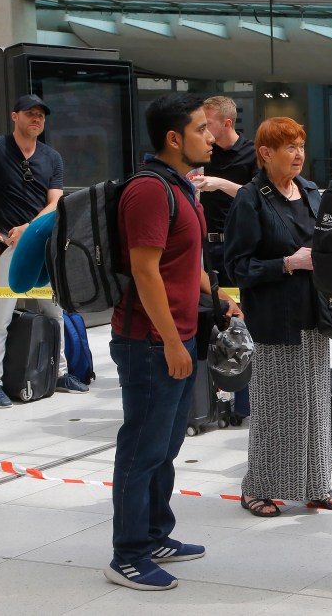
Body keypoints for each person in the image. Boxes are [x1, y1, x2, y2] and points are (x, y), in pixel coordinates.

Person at [105, 92, 239, 590]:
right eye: (202, 129)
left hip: (177, 334)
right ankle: (128, 553)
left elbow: (180, 264)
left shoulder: (180, 187)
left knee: (165, 444)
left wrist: (219, 298)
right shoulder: (147, 191)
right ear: (174, 138)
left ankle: (156, 533)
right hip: (150, 342)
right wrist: (171, 342)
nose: (211, 137)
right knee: (141, 446)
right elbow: (144, 271)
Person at [224, 117, 332, 518]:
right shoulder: (250, 199)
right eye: (289, 147)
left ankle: (315, 484)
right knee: (276, 407)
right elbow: (239, 267)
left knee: (315, 403)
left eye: (301, 146)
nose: (298, 154)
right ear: (265, 153)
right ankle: (257, 486)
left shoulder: (310, 191)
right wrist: (287, 264)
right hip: (276, 318)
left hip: (315, 311)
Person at [0, 94, 89, 408]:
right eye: (30, 114)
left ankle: (58, 373)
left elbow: (55, 203)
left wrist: (28, 230)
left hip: (42, 246)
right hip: (3, 245)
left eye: (41, 115)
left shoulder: (51, 157)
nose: (37, 119)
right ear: (14, 116)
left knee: (54, 313)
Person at [192, 96, 257, 287]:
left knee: (236, 302)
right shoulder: (202, 150)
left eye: (208, 124)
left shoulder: (251, 153)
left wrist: (220, 183)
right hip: (201, 242)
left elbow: (259, 196)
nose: (203, 129)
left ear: (227, 123)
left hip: (236, 242)